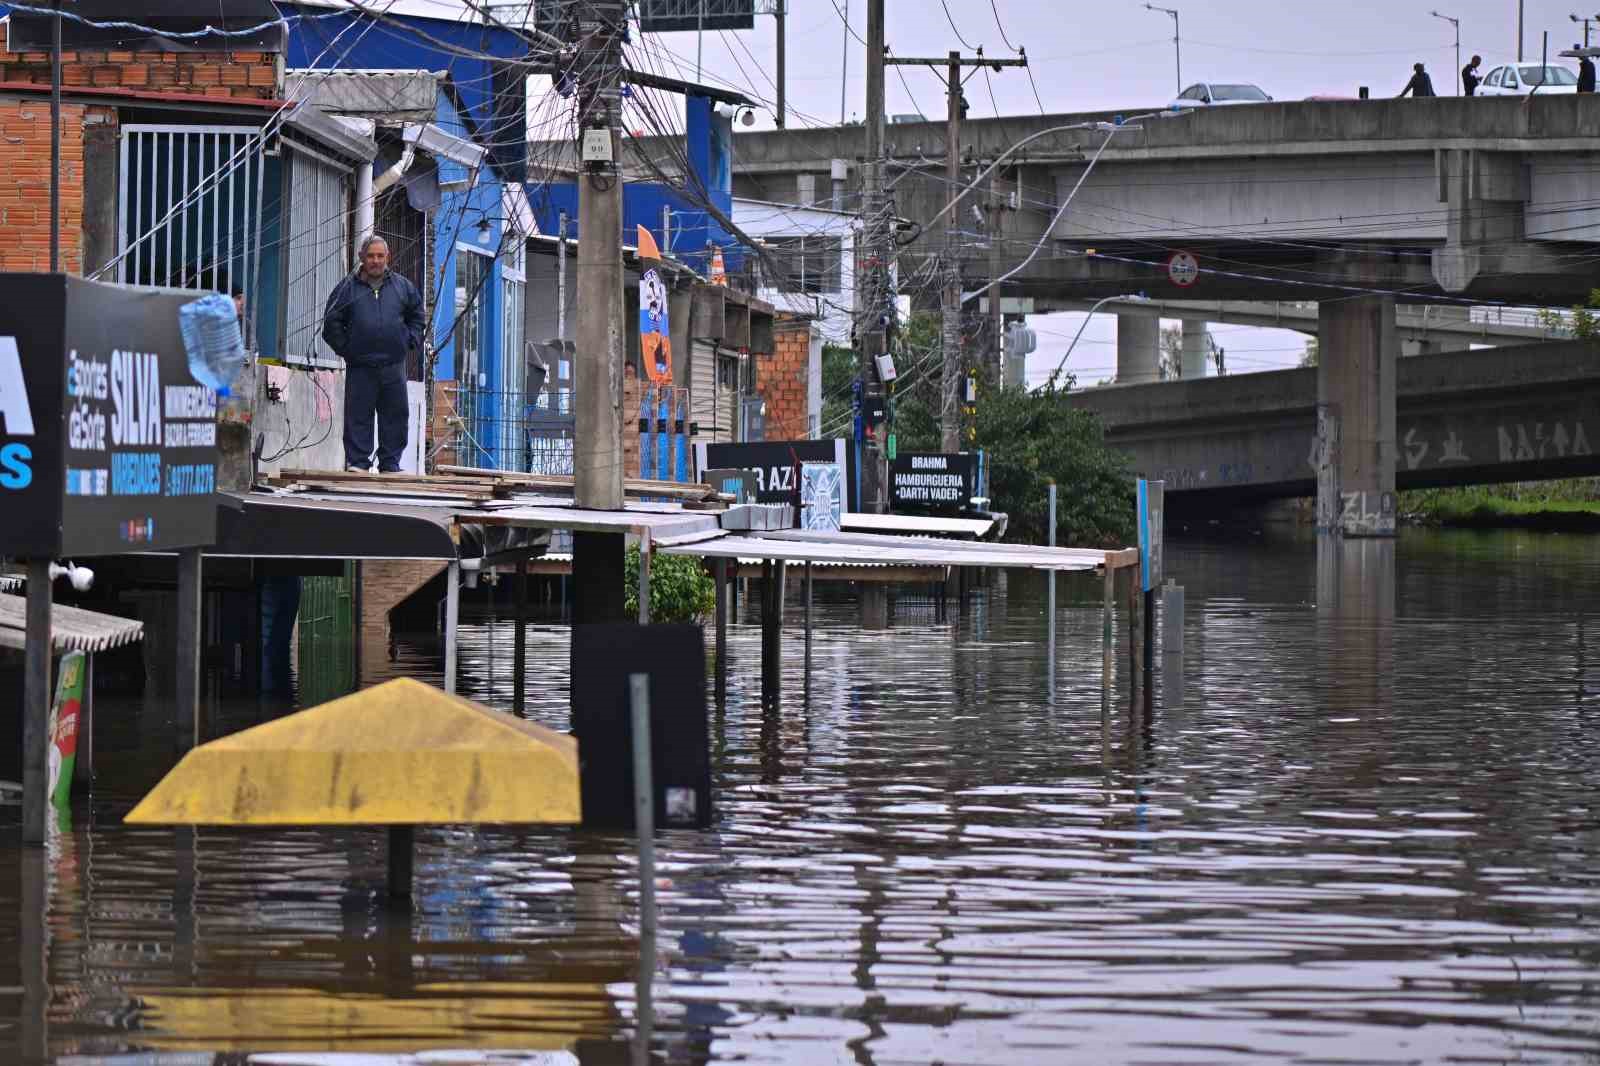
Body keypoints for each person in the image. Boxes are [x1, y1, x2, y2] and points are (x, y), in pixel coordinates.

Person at [321, 235, 424, 473]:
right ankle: (358, 463)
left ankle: (390, 463)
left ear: (388, 258)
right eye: (370, 256)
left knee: (395, 416)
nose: (375, 261)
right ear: (361, 258)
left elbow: (417, 316)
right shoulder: (347, 288)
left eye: (380, 256)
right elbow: (331, 322)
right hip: (361, 367)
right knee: (358, 415)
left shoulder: (403, 287)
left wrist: (408, 340)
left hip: (393, 365)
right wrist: (348, 350)